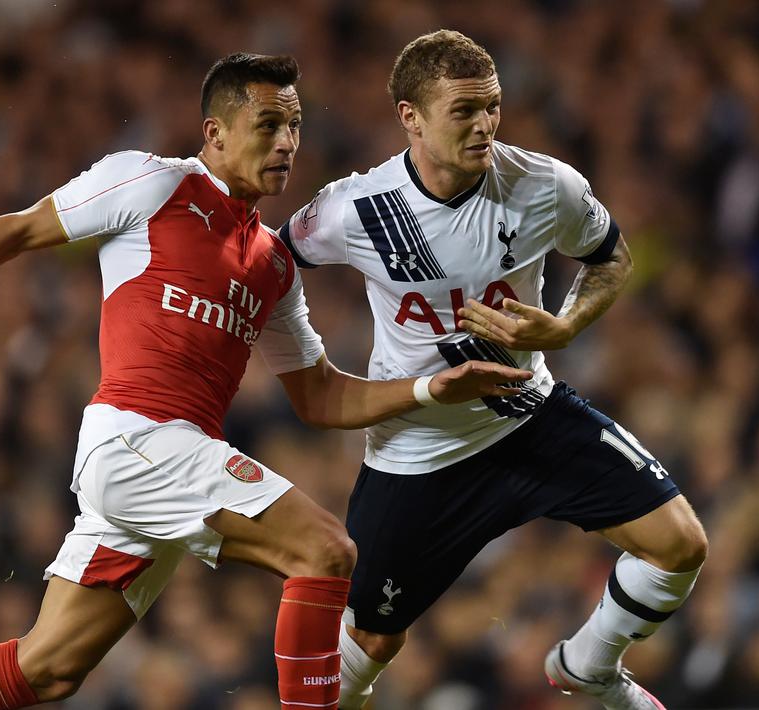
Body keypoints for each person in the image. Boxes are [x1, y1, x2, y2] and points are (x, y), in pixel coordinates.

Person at [0, 52, 528, 710]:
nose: (287, 142)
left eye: (295, 126)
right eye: (268, 125)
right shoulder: (154, 182)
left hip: (157, 463)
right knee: (325, 550)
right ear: (215, 133)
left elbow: (319, 395)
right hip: (137, 438)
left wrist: (431, 389)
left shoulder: (274, 265)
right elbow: (19, 229)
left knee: (48, 669)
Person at [278, 31, 708, 709]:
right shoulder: (355, 209)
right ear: (410, 117)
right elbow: (268, 264)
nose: (484, 125)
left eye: (492, 107)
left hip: (528, 416)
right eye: (463, 111)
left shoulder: (545, 185)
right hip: (420, 452)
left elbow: (610, 258)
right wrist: (300, 353)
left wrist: (566, 325)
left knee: (680, 545)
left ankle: (588, 667)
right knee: (373, 639)